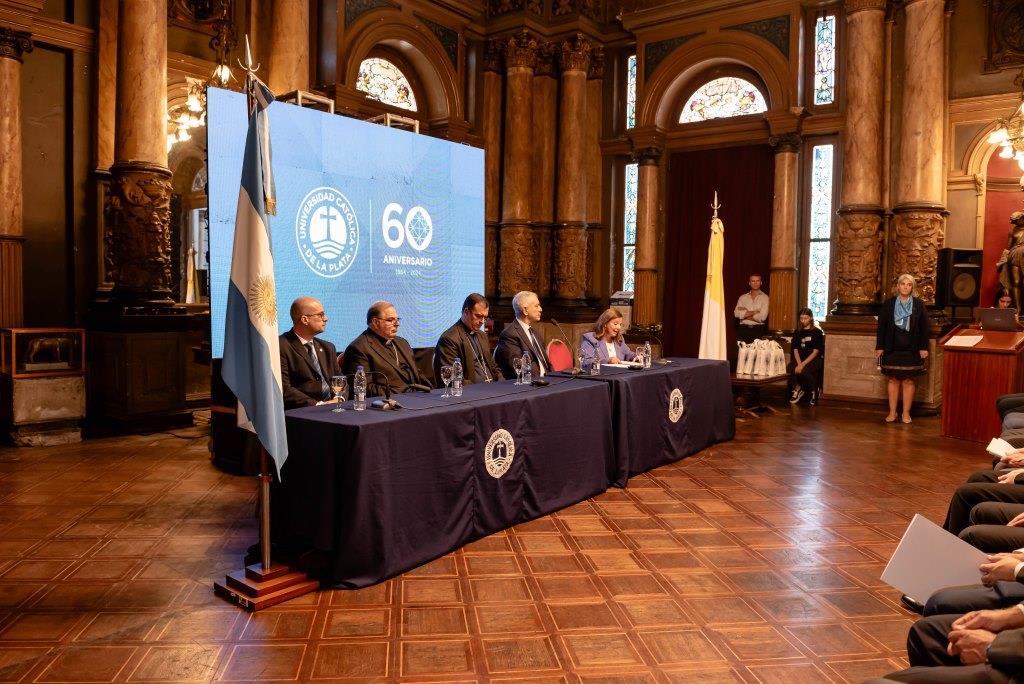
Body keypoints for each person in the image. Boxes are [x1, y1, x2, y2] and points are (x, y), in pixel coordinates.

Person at [342, 301, 431, 396]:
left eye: (397, 319)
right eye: (390, 320)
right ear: (375, 322)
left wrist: (431, 391)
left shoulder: (402, 343)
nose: (397, 324)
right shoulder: (358, 348)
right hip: (388, 403)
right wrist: (400, 393)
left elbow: (418, 374)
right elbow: (364, 388)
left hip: (418, 398)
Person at [876, 273, 930, 424]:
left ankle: (906, 413)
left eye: (909, 284)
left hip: (912, 349)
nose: (906, 287)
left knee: (908, 381)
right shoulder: (889, 304)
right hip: (892, 348)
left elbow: (925, 328)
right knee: (893, 380)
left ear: (912, 287)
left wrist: (923, 347)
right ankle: (892, 413)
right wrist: (879, 346)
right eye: (903, 284)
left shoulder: (919, 304)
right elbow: (882, 327)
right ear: (898, 286)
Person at [279, 296, 342, 409]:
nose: (326, 318)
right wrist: (318, 405)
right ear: (305, 320)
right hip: (302, 413)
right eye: (321, 315)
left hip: (335, 408)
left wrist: (339, 399)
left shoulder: (328, 347)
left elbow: (340, 380)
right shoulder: (281, 345)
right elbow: (284, 388)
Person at [433, 293, 502, 385]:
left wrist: (501, 382)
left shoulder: (482, 336)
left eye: (485, 317)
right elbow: (453, 377)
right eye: (478, 316)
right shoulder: (449, 339)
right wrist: (480, 389)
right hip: (472, 392)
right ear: (466, 312)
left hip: (493, 388)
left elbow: (493, 366)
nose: (482, 321)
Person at [494, 290, 549, 379]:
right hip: (530, 385)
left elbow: (546, 364)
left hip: (547, 380)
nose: (540, 309)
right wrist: (539, 381)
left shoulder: (535, 333)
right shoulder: (509, 335)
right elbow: (518, 367)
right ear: (525, 310)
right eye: (536, 306)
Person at [788, 307, 825, 405]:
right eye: (801, 318)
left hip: (814, 359)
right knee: (790, 367)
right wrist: (799, 363)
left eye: (806, 318)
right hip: (801, 358)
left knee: (804, 371)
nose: (803, 321)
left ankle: (814, 392)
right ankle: (797, 389)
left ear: (811, 318)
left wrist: (802, 365)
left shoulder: (817, 332)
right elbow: (795, 349)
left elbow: (816, 351)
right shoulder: (798, 331)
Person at [734, 273, 769, 344]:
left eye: (757, 281)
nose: (755, 283)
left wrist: (744, 314)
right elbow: (736, 314)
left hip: (758, 330)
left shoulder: (765, 298)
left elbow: (762, 317)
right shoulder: (742, 298)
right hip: (743, 329)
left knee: (757, 354)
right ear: (749, 283)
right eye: (753, 281)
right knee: (741, 354)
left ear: (761, 282)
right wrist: (754, 312)